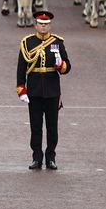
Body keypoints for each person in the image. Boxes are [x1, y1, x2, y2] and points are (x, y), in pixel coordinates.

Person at [16, 10, 71, 170]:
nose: (44, 27)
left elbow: (67, 67)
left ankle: (51, 157)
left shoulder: (57, 43)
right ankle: (37, 157)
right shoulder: (28, 43)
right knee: (35, 126)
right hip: (34, 91)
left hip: (52, 92)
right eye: (41, 24)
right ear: (36, 24)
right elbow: (21, 68)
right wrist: (21, 89)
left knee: (52, 127)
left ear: (50, 26)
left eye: (46, 25)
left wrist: (61, 65)